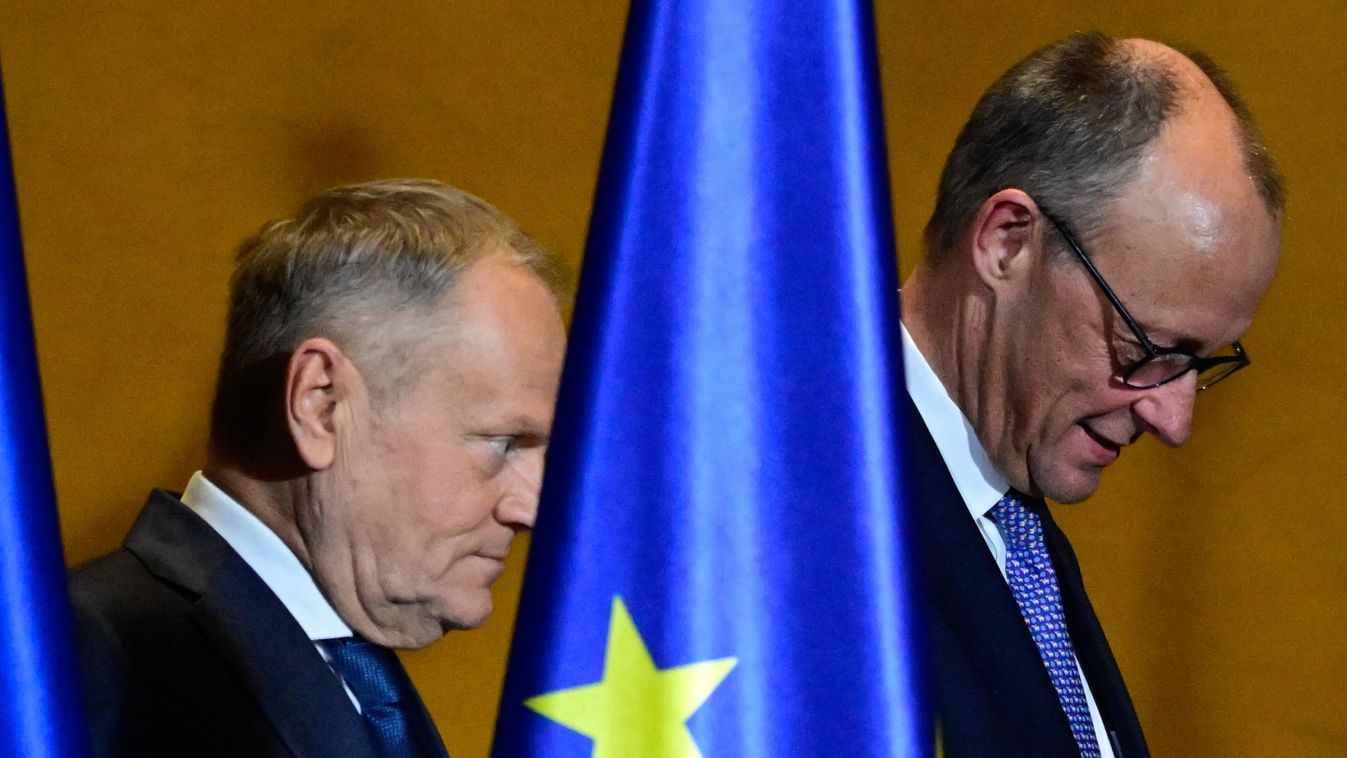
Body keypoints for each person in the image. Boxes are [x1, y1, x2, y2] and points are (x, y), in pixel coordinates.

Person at [68, 179, 568, 757]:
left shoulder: (362, 681)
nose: (532, 508)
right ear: (322, 404)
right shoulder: (75, 668)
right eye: (504, 442)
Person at [899, 33, 1282, 757]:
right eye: (1148, 351)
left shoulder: (1019, 538)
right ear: (1007, 243)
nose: (1174, 420)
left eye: (1200, 363)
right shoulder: (810, 522)